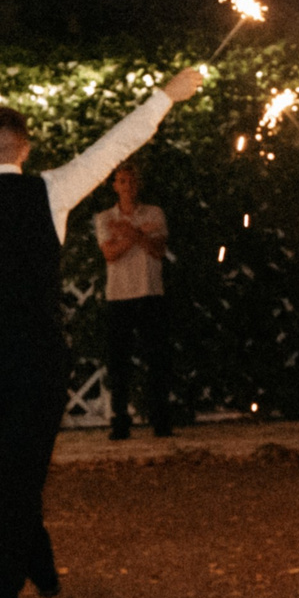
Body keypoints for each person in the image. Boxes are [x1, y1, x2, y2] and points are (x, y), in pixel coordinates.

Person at [0, 68, 208, 598]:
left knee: (16, 471)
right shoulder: (52, 189)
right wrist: (166, 96)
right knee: (22, 475)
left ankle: (39, 560)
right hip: (36, 355)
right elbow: (115, 146)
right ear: (24, 148)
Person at [94, 161, 178, 440]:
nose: (128, 186)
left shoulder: (155, 213)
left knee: (157, 359)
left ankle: (161, 419)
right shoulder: (105, 218)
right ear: (115, 186)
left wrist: (130, 232)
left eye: (132, 180)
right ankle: (120, 420)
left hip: (150, 292)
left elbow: (157, 250)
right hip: (119, 295)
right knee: (119, 363)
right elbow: (110, 253)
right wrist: (140, 233)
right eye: (122, 181)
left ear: (138, 184)